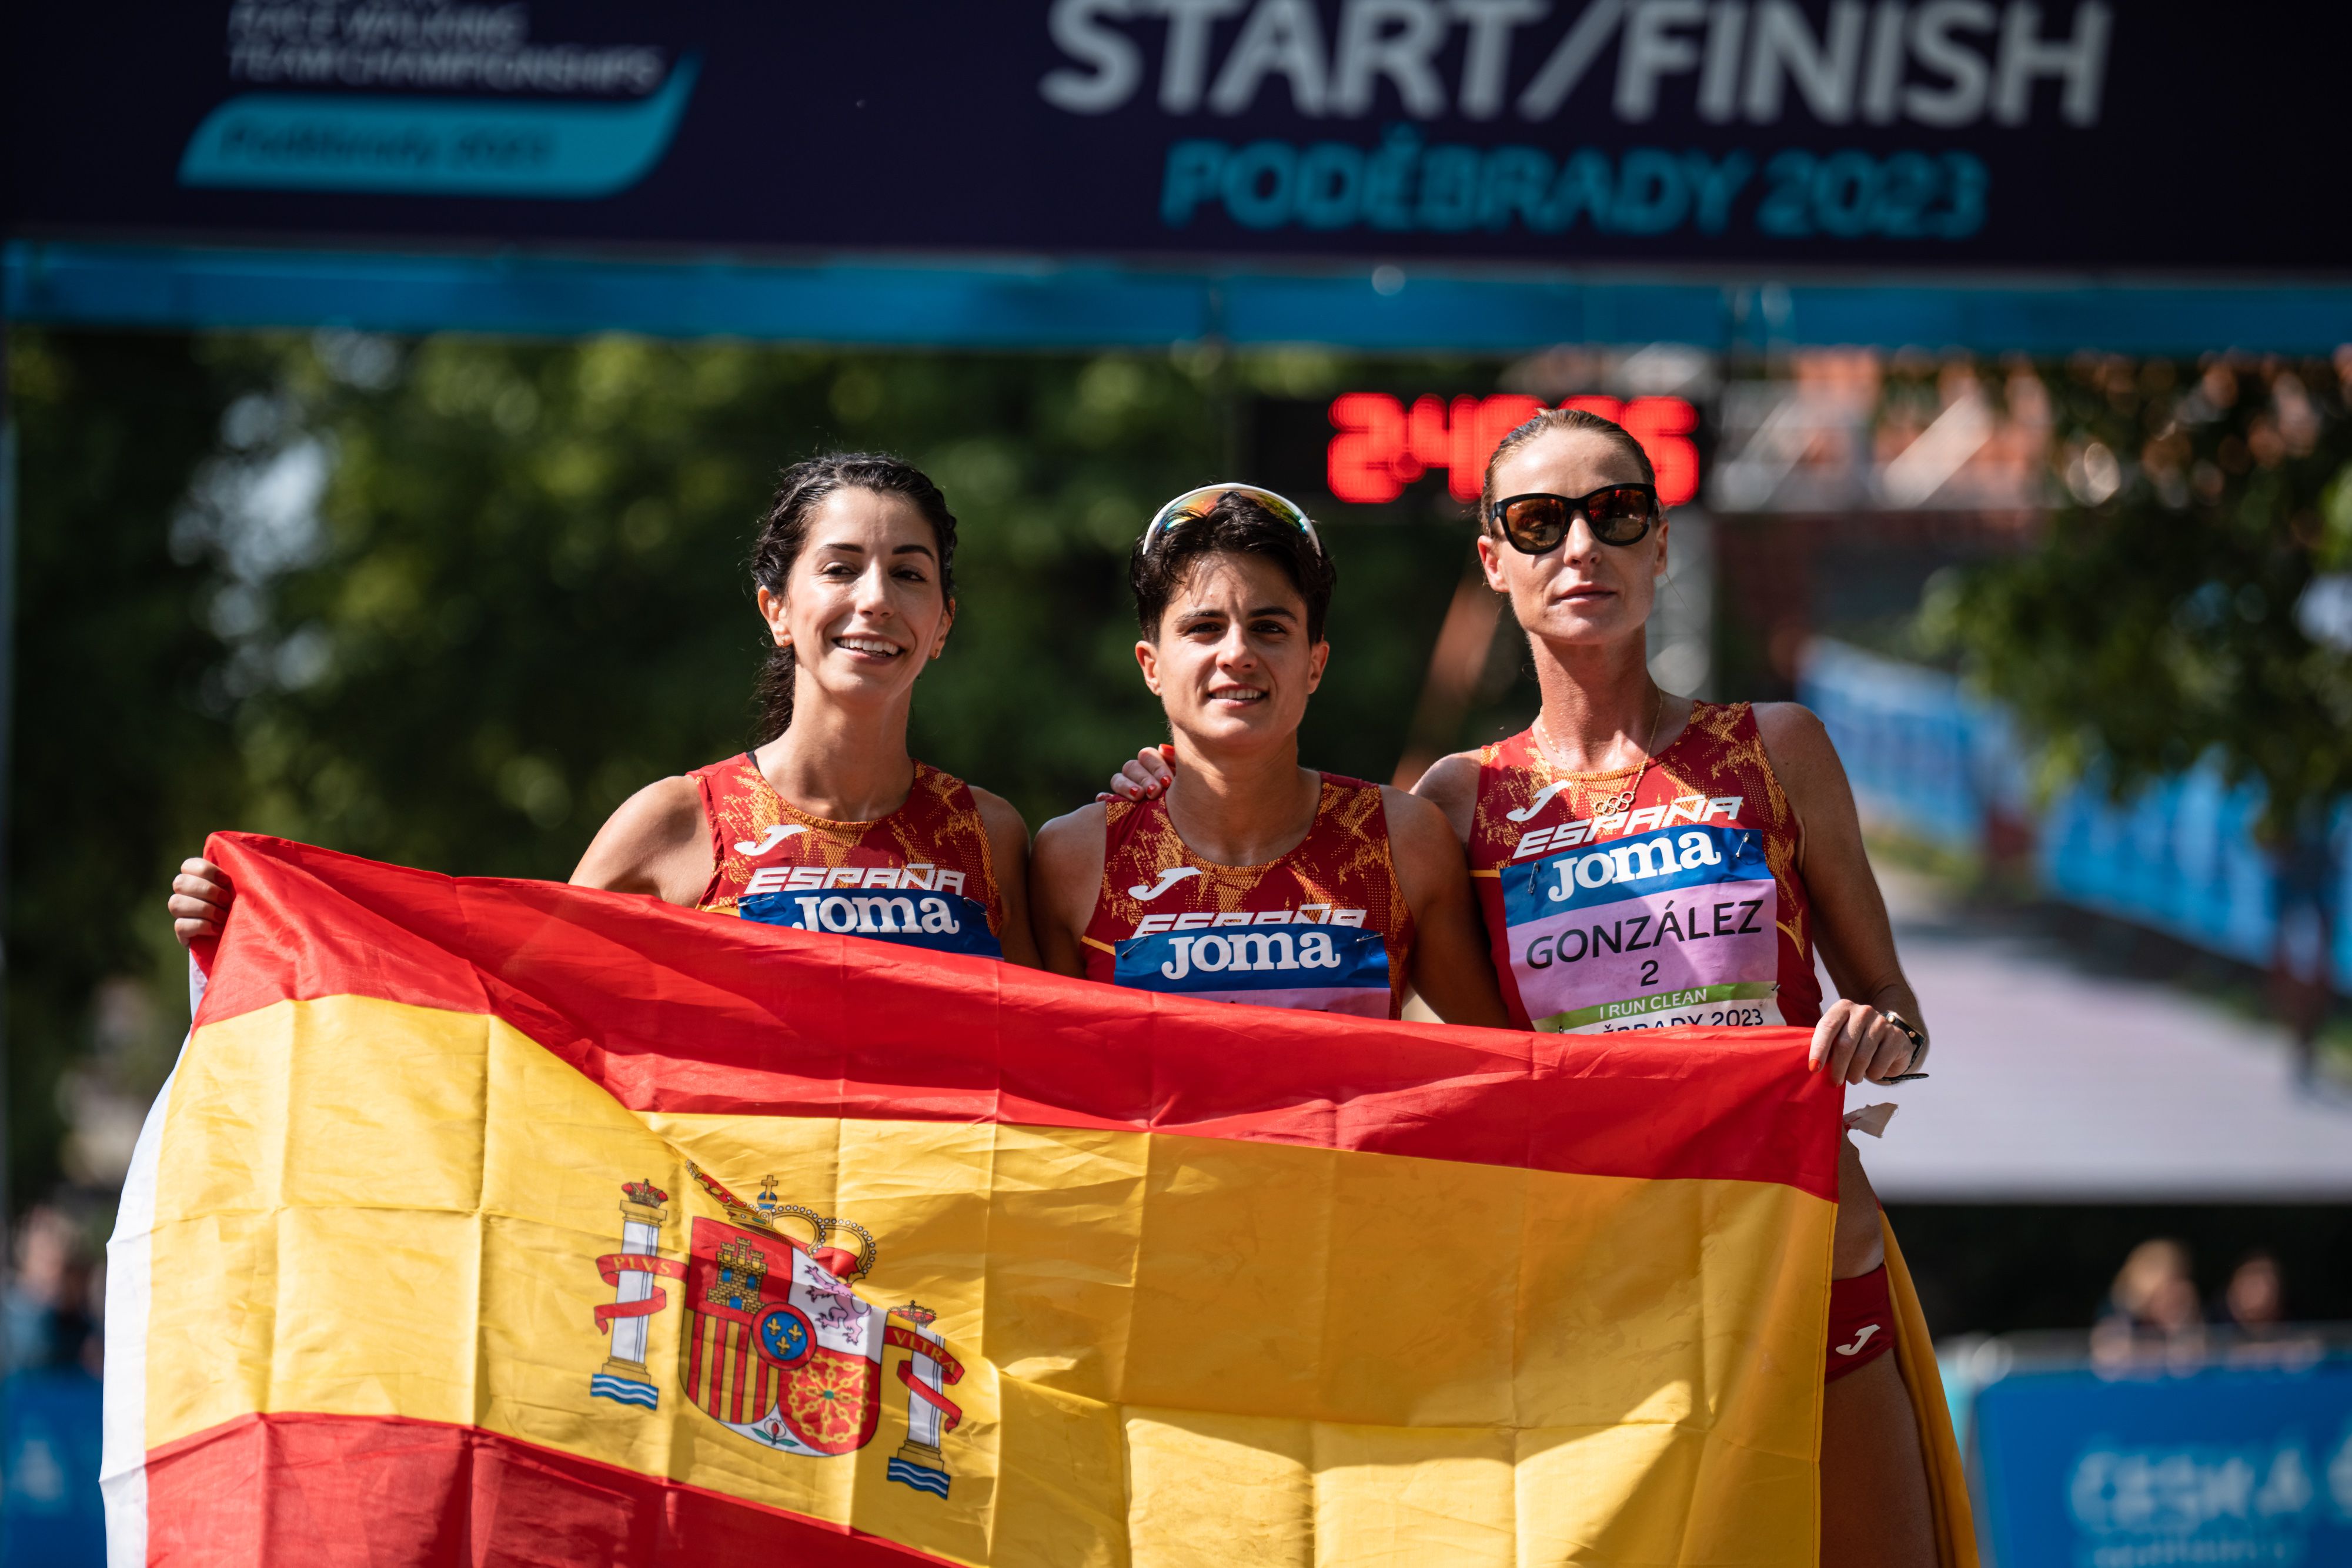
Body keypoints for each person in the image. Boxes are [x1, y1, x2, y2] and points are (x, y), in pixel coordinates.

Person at [1107, 414, 1943, 1564]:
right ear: (1493, 561)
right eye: (1537, 523)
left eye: (1617, 513)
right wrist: (1174, 792)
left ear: (1661, 546)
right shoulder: (1450, 801)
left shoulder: (1778, 748)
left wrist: (1869, 1034)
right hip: (1583, 1301)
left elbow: (1901, 1020)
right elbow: (1349, 997)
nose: (1580, 547)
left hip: (1797, 1267)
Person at [170, 452, 1040, 965]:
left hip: (942, 1269)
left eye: (911, 573)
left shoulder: (992, 838)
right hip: (744, 1266)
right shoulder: (672, 826)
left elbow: (1076, 1060)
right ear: (776, 608)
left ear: (943, 625)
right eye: (841, 567)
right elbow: (512, 1009)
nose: (877, 598)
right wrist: (263, 926)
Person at [1031, 485, 1506, 1025]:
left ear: (1315, 664)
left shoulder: (1405, 840)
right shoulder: (1075, 857)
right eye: (1204, 628)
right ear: (1151, 666)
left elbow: (1505, 1064)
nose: (1237, 654)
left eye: (1270, 628)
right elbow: (1043, 1080)